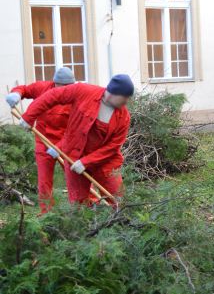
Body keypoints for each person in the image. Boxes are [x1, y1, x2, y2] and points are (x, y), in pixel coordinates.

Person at [19, 74, 134, 205]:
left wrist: (86, 162)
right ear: (113, 93)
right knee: (79, 204)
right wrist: (29, 116)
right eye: (125, 98)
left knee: (117, 199)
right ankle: (89, 224)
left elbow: (113, 147)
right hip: (74, 156)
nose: (126, 102)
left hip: (105, 162)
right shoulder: (83, 91)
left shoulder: (124, 117)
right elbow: (53, 96)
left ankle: (120, 222)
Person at [5, 67, 75, 214]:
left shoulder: (76, 97)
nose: (64, 90)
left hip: (66, 143)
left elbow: (76, 130)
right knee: (44, 181)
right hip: (43, 141)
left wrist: (60, 147)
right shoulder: (42, 88)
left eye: (68, 87)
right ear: (55, 83)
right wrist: (16, 94)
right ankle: (46, 213)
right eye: (61, 87)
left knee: (75, 177)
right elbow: (24, 89)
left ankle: (83, 208)